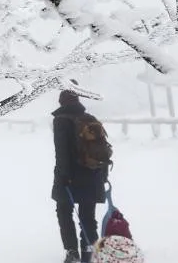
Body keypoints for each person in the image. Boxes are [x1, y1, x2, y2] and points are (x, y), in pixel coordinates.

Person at [52, 89, 111, 263]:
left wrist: (63, 177)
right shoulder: (91, 119)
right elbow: (103, 150)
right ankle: (89, 254)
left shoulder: (60, 121)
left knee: (64, 212)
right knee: (87, 217)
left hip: (69, 176)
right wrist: (103, 175)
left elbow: (61, 152)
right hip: (92, 175)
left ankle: (72, 252)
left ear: (61, 101)